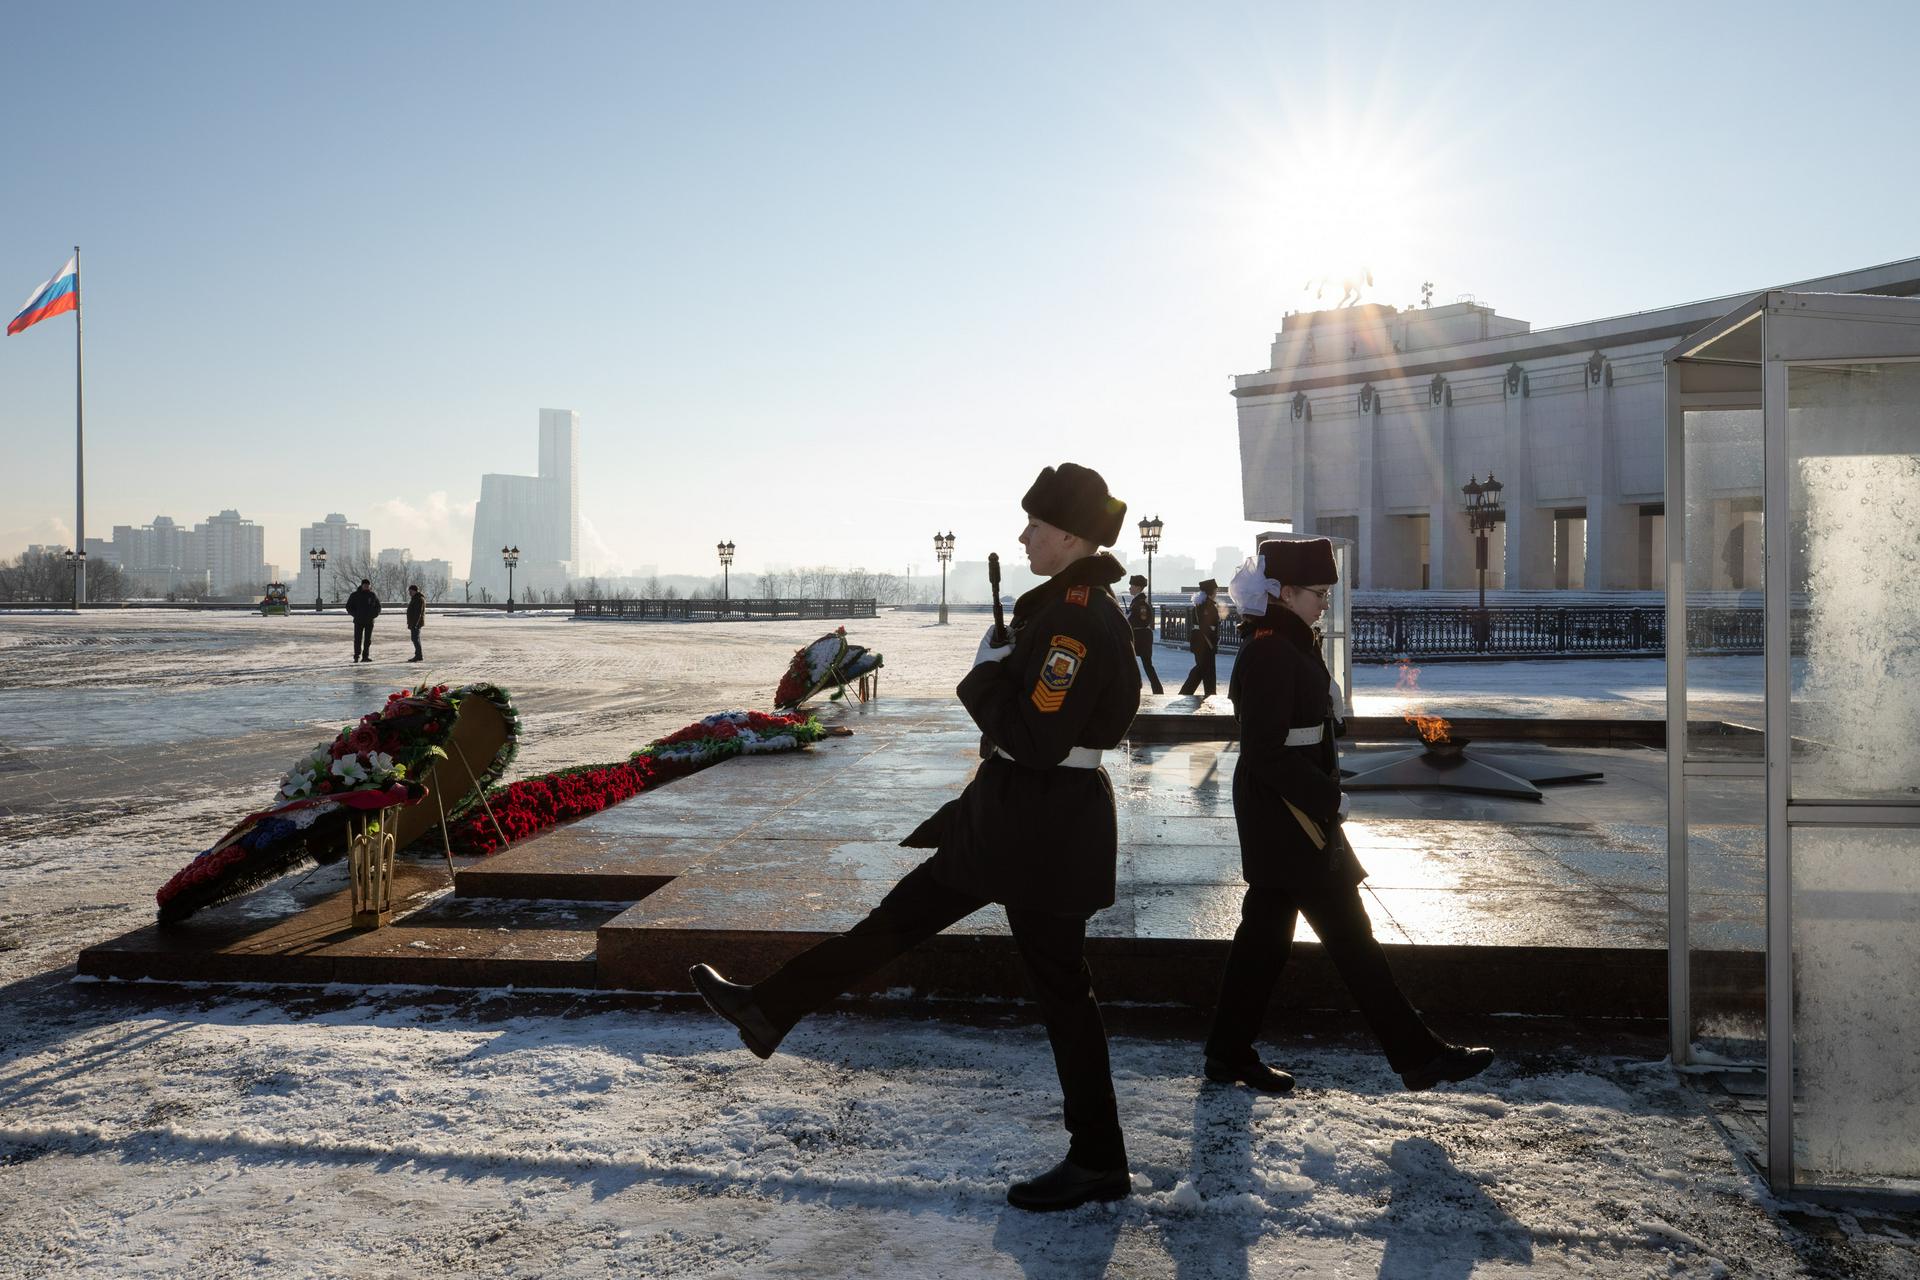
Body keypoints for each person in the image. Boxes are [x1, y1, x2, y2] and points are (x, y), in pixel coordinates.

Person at [689, 462, 1142, 1212]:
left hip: (1039, 825)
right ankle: (769, 1009)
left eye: (1035, 525)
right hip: (1025, 821)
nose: (1023, 535)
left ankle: (1099, 1159)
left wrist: (984, 677)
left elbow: (1032, 738)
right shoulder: (1069, 609)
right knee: (904, 924)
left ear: (1069, 537)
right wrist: (1005, 667)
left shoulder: (1074, 618)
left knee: (1057, 988)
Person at [1203, 538, 1492, 1096]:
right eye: (1318, 593)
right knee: (1350, 941)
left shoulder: (1284, 641)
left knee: (1266, 943)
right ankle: (1418, 1057)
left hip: (1288, 814)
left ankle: (1228, 1052)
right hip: (1287, 817)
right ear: (1284, 593)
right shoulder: (1269, 649)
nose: (1325, 603)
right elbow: (1265, 752)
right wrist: (1326, 798)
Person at [1177, 578, 1220, 697]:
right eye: (1215, 590)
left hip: (1199, 641)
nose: (1216, 592)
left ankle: (1209, 692)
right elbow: (1208, 626)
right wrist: (1213, 641)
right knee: (1204, 669)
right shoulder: (1207, 606)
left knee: (1205, 669)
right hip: (1205, 642)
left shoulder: (1201, 604)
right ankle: (1188, 692)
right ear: (1210, 591)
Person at [1126, 573, 1163, 694]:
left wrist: (1128, 618)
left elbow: (1142, 620)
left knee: (1146, 665)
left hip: (1141, 637)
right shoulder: (1138, 602)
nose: (1130, 588)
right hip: (1140, 636)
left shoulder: (1141, 604)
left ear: (1138, 587)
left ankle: (1155, 689)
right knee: (1144, 665)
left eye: (1132, 585)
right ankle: (1156, 689)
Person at [345, 578, 381, 663]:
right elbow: (348, 607)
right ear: (362, 585)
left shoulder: (372, 595)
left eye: (368, 586)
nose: (366, 587)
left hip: (369, 621)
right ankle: (356, 656)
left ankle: (365, 656)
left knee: (367, 640)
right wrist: (356, 614)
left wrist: (374, 615)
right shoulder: (355, 595)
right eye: (365, 585)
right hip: (358, 621)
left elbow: (378, 607)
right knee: (357, 639)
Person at [405, 584, 426, 662]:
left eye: (410, 591)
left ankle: (419, 655)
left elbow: (418, 613)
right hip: (413, 623)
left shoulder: (419, 599)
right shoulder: (415, 598)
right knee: (415, 639)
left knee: (415, 638)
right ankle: (418, 655)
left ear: (414, 591)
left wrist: (415, 624)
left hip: (415, 623)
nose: (409, 593)